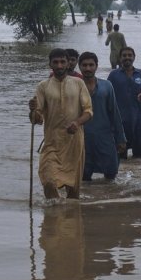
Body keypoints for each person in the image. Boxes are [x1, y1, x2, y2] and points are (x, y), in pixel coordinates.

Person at [29, 48, 93, 199]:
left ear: (68, 63)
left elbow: (89, 111)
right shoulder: (43, 86)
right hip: (52, 142)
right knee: (48, 181)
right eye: (55, 62)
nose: (59, 66)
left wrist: (77, 123)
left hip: (74, 143)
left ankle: (70, 213)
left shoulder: (79, 83)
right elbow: (37, 119)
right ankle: (53, 209)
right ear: (50, 64)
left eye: (62, 62)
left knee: (73, 191)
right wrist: (33, 110)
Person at [78, 51, 126, 181]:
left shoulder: (107, 86)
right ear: (79, 66)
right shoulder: (74, 87)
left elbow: (114, 113)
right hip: (81, 137)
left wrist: (121, 138)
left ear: (96, 66)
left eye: (91, 65)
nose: (88, 68)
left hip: (105, 137)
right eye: (84, 65)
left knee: (111, 173)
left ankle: (107, 195)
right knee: (83, 176)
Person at [107, 47, 141, 160]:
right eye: (124, 55)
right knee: (120, 157)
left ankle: (137, 172)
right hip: (119, 122)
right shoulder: (113, 75)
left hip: (138, 121)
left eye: (130, 55)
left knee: (140, 157)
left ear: (134, 57)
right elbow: (107, 95)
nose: (127, 57)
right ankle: (123, 172)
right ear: (120, 58)